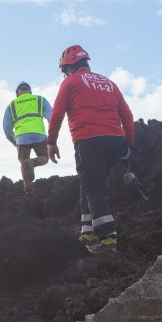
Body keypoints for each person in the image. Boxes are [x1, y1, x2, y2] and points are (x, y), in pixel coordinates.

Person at [46, 45, 135, 252]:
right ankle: (87, 230)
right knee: (88, 182)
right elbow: (127, 116)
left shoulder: (70, 82)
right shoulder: (109, 83)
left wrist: (51, 142)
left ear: (68, 67)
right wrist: (130, 143)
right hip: (115, 140)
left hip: (89, 140)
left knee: (94, 189)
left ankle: (108, 237)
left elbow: (57, 113)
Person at [3, 81, 52, 193]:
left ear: (17, 93)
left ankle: (28, 188)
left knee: (24, 162)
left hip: (21, 137)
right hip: (39, 135)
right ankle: (33, 162)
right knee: (44, 157)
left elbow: (6, 127)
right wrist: (51, 135)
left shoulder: (12, 105)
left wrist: (14, 140)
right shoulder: (40, 99)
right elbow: (52, 117)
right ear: (30, 91)